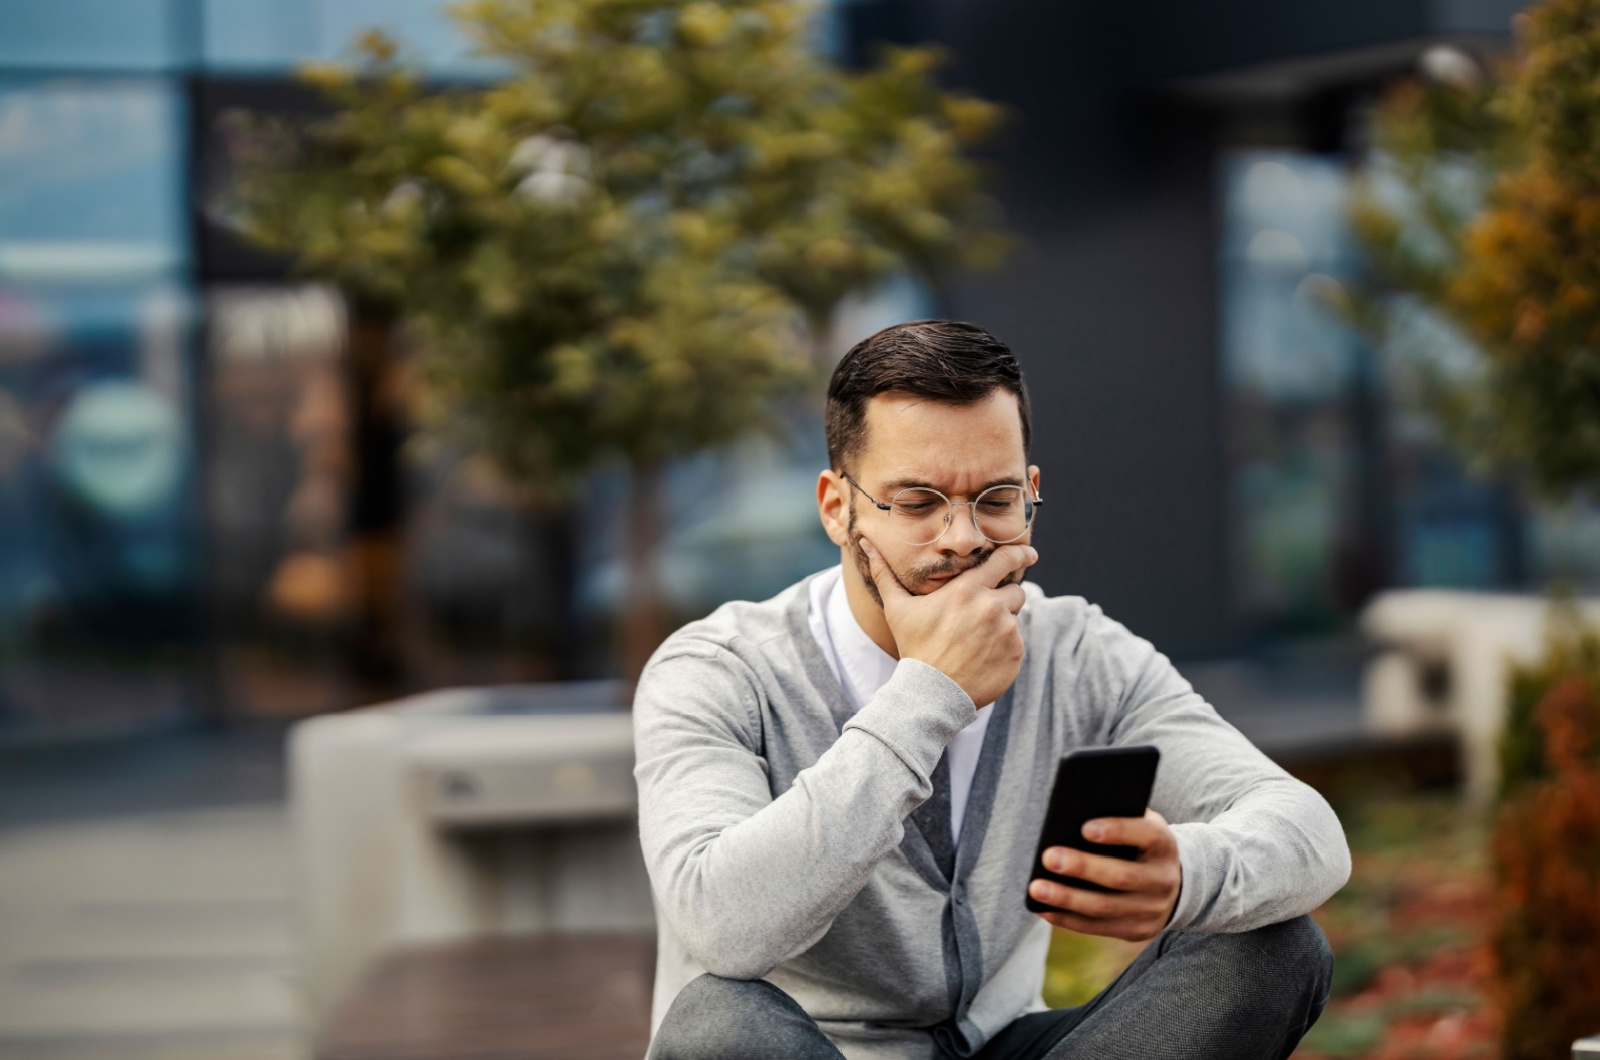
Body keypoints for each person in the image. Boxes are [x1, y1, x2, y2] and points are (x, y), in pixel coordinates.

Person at [633, 320, 1350, 1060]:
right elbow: (719, 921)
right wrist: (929, 691)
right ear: (836, 507)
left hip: (1002, 1047)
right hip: (816, 1050)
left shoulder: (1073, 651)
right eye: (916, 503)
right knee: (717, 1026)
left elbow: (1309, 832)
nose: (965, 537)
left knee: (1274, 946)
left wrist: (1188, 874)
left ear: (1031, 493)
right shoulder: (719, 670)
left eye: (996, 498)